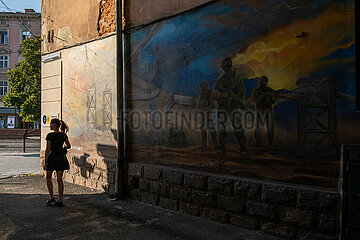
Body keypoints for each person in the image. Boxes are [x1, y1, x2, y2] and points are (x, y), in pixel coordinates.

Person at [213, 57, 246, 153]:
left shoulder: (236, 78)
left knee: (238, 127)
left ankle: (243, 147)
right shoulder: (220, 79)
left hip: (233, 106)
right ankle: (223, 147)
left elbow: (241, 90)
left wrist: (235, 100)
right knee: (222, 128)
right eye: (225, 65)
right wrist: (222, 95)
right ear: (223, 67)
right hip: (223, 106)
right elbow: (215, 92)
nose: (226, 66)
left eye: (228, 64)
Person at [44, 118, 71, 206]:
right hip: (61, 158)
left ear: (55, 125)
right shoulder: (63, 135)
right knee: (60, 180)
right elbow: (68, 146)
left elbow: (47, 150)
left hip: (52, 158)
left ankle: (52, 197)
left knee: (48, 177)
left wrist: (45, 162)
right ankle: (60, 200)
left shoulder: (50, 135)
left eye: (51, 124)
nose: (50, 125)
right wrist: (63, 149)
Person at [250, 76, 276, 146]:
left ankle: (270, 141)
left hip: (268, 110)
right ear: (260, 83)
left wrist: (272, 98)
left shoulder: (269, 90)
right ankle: (258, 141)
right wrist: (261, 96)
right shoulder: (257, 91)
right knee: (258, 126)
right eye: (262, 83)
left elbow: (273, 100)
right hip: (260, 111)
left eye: (265, 83)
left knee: (270, 126)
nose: (264, 84)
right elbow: (253, 100)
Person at [196, 81, 219, 150]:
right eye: (201, 86)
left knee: (212, 130)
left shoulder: (210, 93)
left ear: (206, 86)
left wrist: (203, 110)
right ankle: (204, 146)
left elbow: (212, 106)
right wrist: (198, 109)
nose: (201, 88)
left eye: (203, 86)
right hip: (203, 115)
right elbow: (199, 104)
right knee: (203, 130)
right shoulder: (202, 94)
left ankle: (216, 145)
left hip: (209, 114)